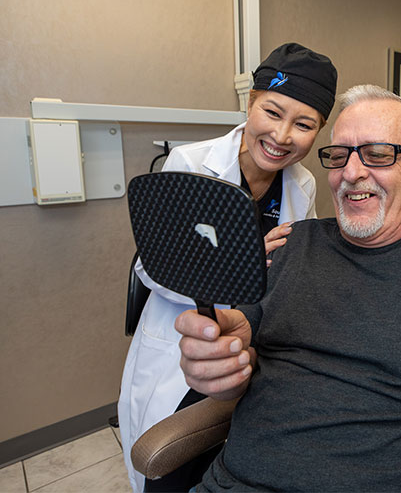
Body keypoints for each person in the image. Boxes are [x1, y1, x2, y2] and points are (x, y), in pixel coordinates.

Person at [175, 84, 401, 491]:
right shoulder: (292, 244)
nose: (351, 173)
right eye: (338, 156)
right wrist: (220, 361)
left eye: (378, 153)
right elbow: (237, 353)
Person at [119, 42, 338, 492]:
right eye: (273, 113)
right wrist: (243, 259)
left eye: (303, 124)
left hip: (257, 337)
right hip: (189, 338)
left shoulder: (303, 183)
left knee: (239, 455)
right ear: (251, 103)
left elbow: (296, 262)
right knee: (172, 471)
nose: (282, 136)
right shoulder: (190, 164)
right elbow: (152, 268)